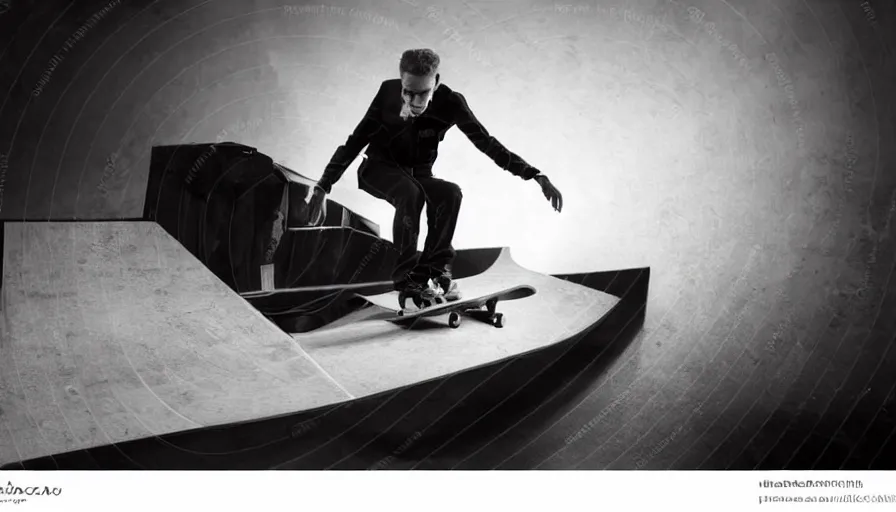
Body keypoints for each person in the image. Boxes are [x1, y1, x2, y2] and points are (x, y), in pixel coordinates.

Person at [309, 48, 563, 309]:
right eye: (408, 92)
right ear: (401, 82)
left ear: (436, 82)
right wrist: (323, 185)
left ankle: (433, 271)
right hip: (377, 169)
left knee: (449, 193)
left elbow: (487, 143)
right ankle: (407, 281)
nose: (415, 101)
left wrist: (534, 175)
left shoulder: (451, 102)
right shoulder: (387, 93)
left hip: (419, 176)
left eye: (423, 93)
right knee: (411, 192)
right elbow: (355, 141)